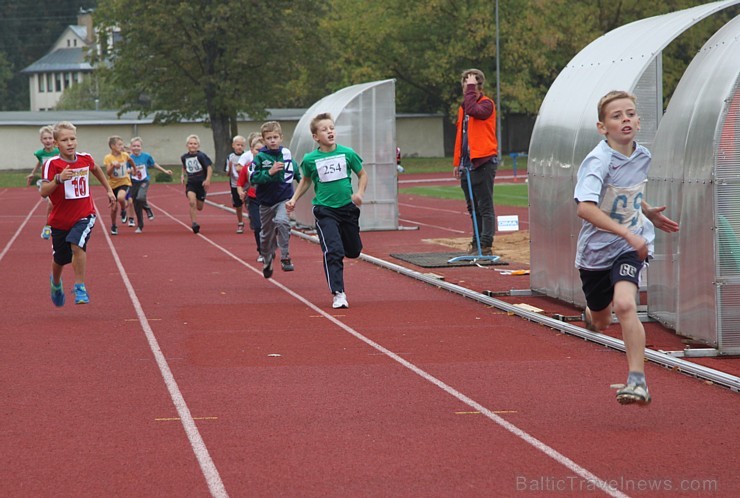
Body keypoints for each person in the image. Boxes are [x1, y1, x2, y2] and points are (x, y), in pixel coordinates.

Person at [574, 90, 679, 406]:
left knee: (626, 305)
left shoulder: (644, 155)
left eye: (630, 113)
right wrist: (626, 231)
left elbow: (625, 193)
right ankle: (592, 313)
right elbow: (586, 208)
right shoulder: (598, 160)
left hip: (629, 247)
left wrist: (645, 214)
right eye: (617, 116)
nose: (626, 120)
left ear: (638, 119)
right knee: (603, 320)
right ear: (602, 127)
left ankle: (637, 382)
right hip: (595, 252)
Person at [287, 113, 367, 309]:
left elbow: (362, 174)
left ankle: (347, 254)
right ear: (316, 137)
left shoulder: (347, 153)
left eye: (331, 128)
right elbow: (306, 180)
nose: (330, 131)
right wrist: (294, 198)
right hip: (324, 210)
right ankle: (338, 293)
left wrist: (359, 193)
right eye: (324, 129)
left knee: (354, 251)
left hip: (347, 209)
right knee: (333, 251)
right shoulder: (310, 159)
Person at [39, 121, 116, 306]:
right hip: (59, 219)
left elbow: (96, 169)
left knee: (77, 244)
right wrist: (58, 179)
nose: (70, 143)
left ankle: (80, 286)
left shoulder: (85, 158)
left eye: (72, 138)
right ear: (57, 144)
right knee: (60, 259)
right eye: (65, 140)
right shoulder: (52, 164)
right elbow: (43, 191)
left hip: (84, 214)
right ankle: (56, 283)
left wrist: (109, 190)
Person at [452, 68, 498, 256]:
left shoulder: (487, 105)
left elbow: (474, 109)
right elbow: (460, 136)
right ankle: (476, 241)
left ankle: (486, 244)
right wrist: (457, 162)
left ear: (478, 86)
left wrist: (471, 88)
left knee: (484, 205)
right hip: (467, 164)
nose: (466, 90)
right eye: (465, 85)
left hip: (484, 161)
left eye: (469, 85)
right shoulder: (463, 108)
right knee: (473, 207)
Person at [249, 121, 300, 277]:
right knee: (266, 235)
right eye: (269, 138)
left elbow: (297, 174)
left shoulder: (286, 154)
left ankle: (285, 256)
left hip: (283, 198)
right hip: (265, 202)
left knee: (282, 221)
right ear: (264, 140)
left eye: (275, 137)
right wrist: (269, 172)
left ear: (281, 138)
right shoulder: (260, 157)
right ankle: (267, 258)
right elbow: (253, 178)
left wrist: (303, 181)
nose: (272, 140)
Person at [129, 137, 173, 233]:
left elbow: (154, 164)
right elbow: (126, 170)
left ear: (141, 147)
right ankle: (140, 226)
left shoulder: (146, 156)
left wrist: (165, 171)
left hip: (144, 180)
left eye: (138, 146)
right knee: (136, 204)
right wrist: (131, 171)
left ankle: (148, 209)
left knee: (140, 197)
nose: (136, 148)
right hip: (133, 182)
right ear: (131, 147)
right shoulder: (129, 158)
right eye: (134, 146)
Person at [27, 125, 59, 239]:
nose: (48, 141)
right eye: (45, 138)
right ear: (41, 140)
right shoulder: (40, 153)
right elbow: (39, 162)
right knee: (51, 204)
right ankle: (47, 226)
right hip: (47, 182)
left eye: (50, 138)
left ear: (54, 139)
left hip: (59, 181)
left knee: (59, 205)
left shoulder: (58, 151)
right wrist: (32, 173)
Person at [236, 135, 265, 261]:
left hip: (268, 200)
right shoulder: (247, 167)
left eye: (262, 150)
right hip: (253, 199)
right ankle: (261, 251)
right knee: (257, 226)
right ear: (252, 150)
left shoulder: (271, 165)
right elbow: (239, 184)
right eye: (257, 150)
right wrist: (241, 192)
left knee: (271, 226)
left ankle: (270, 246)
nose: (259, 152)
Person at [180, 134, 213, 234]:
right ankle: (194, 223)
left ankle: (201, 199)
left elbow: (209, 168)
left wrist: (207, 180)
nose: (193, 145)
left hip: (201, 184)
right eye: (190, 143)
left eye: (195, 144)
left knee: (199, 207)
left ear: (198, 145)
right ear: (187, 145)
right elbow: (184, 166)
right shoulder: (184, 157)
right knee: (192, 202)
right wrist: (182, 175)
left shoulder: (201, 156)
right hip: (191, 184)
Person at [104, 135, 136, 235]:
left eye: (122, 144)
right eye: (119, 144)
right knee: (113, 208)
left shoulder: (125, 155)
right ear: (112, 146)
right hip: (113, 185)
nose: (122, 146)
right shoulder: (108, 158)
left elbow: (131, 161)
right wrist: (113, 166)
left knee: (121, 198)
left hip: (124, 182)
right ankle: (113, 225)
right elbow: (108, 173)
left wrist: (134, 169)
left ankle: (123, 210)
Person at [226, 135, 248, 234]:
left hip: (247, 184)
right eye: (238, 145)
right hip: (235, 184)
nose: (239, 147)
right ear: (233, 145)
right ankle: (240, 223)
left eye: (242, 145)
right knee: (238, 205)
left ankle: (253, 217)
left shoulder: (247, 156)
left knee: (249, 203)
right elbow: (227, 173)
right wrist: (230, 168)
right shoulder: (230, 157)